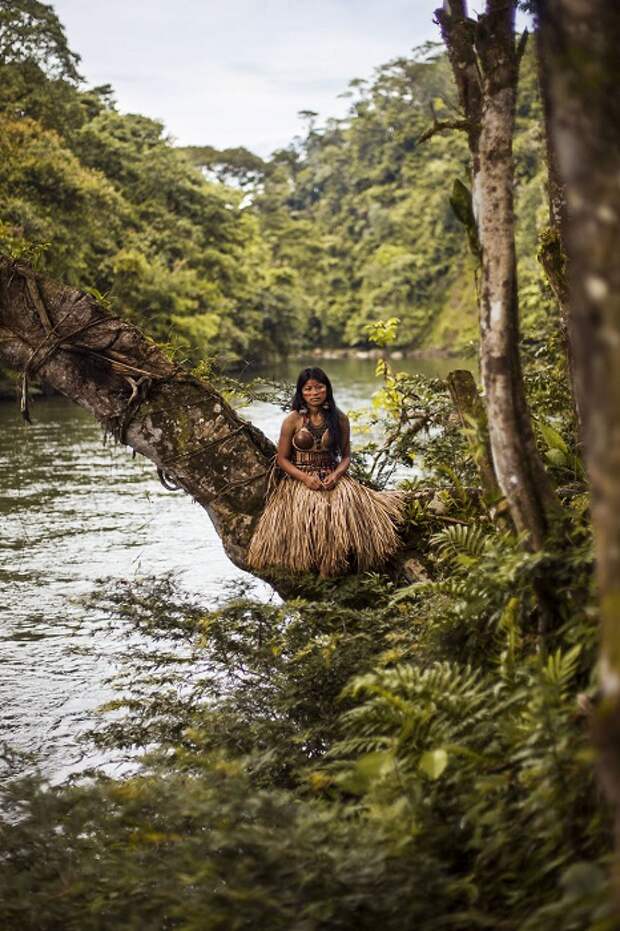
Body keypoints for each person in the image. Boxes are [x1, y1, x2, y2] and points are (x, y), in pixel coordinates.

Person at [247, 366, 405, 577]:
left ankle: (334, 565)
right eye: (308, 389)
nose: (314, 393)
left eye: (319, 387)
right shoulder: (292, 420)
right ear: (301, 392)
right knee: (314, 517)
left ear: (327, 389)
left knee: (337, 513)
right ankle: (306, 563)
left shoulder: (339, 418)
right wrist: (304, 478)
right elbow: (282, 459)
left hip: (332, 476)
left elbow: (346, 456)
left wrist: (337, 474)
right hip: (300, 481)